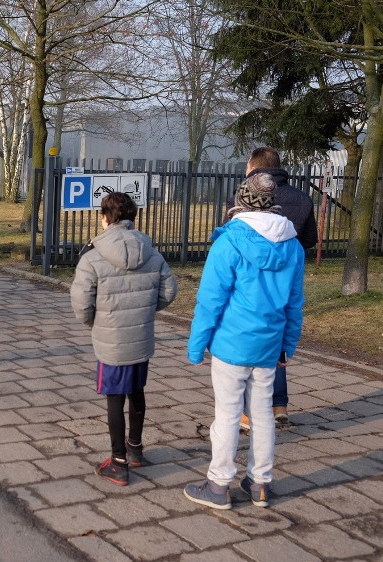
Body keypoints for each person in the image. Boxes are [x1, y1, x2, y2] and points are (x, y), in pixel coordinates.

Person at [186, 173, 305, 509]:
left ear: (241, 201)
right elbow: (295, 302)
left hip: (231, 345)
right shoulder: (292, 246)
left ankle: (218, 486)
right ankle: (260, 484)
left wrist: (197, 346)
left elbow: (210, 300)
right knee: (263, 414)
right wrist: (288, 345)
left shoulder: (229, 241)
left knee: (226, 415)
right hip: (269, 346)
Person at [70, 192, 177, 486]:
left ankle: (117, 462)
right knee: (136, 390)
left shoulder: (92, 257)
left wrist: (96, 322)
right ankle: (135, 448)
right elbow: (169, 292)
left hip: (111, 340)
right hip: (140, 337)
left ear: (105, 217)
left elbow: (81, 303)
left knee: (115, 398)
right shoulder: (152, 254)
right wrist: (143, 312)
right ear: (132, 218)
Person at [228, 147, 317, 426]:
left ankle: (245, 411)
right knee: (277, 342)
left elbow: (231, 235)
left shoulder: (245, 194)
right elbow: (310, 238)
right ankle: (279, 406)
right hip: (287, 276)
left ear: (253, 167)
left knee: (246, 345)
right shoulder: (302, 198)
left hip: (250, 280)